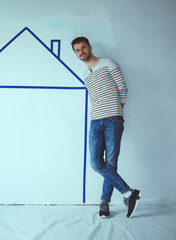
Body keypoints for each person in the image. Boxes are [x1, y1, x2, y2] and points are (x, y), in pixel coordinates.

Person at [71, 37, 140, 218]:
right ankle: (127, 193)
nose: (81, 52)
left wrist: (116, 111)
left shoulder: (108, 63)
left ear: (90, 47)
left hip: (112, 120)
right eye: (77, 50)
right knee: (96, 163)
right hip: (95, 122)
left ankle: (104, 203)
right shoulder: (85, 75)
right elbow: (94, 99)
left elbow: (123, 89)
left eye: (83, 48)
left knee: (111, 164)